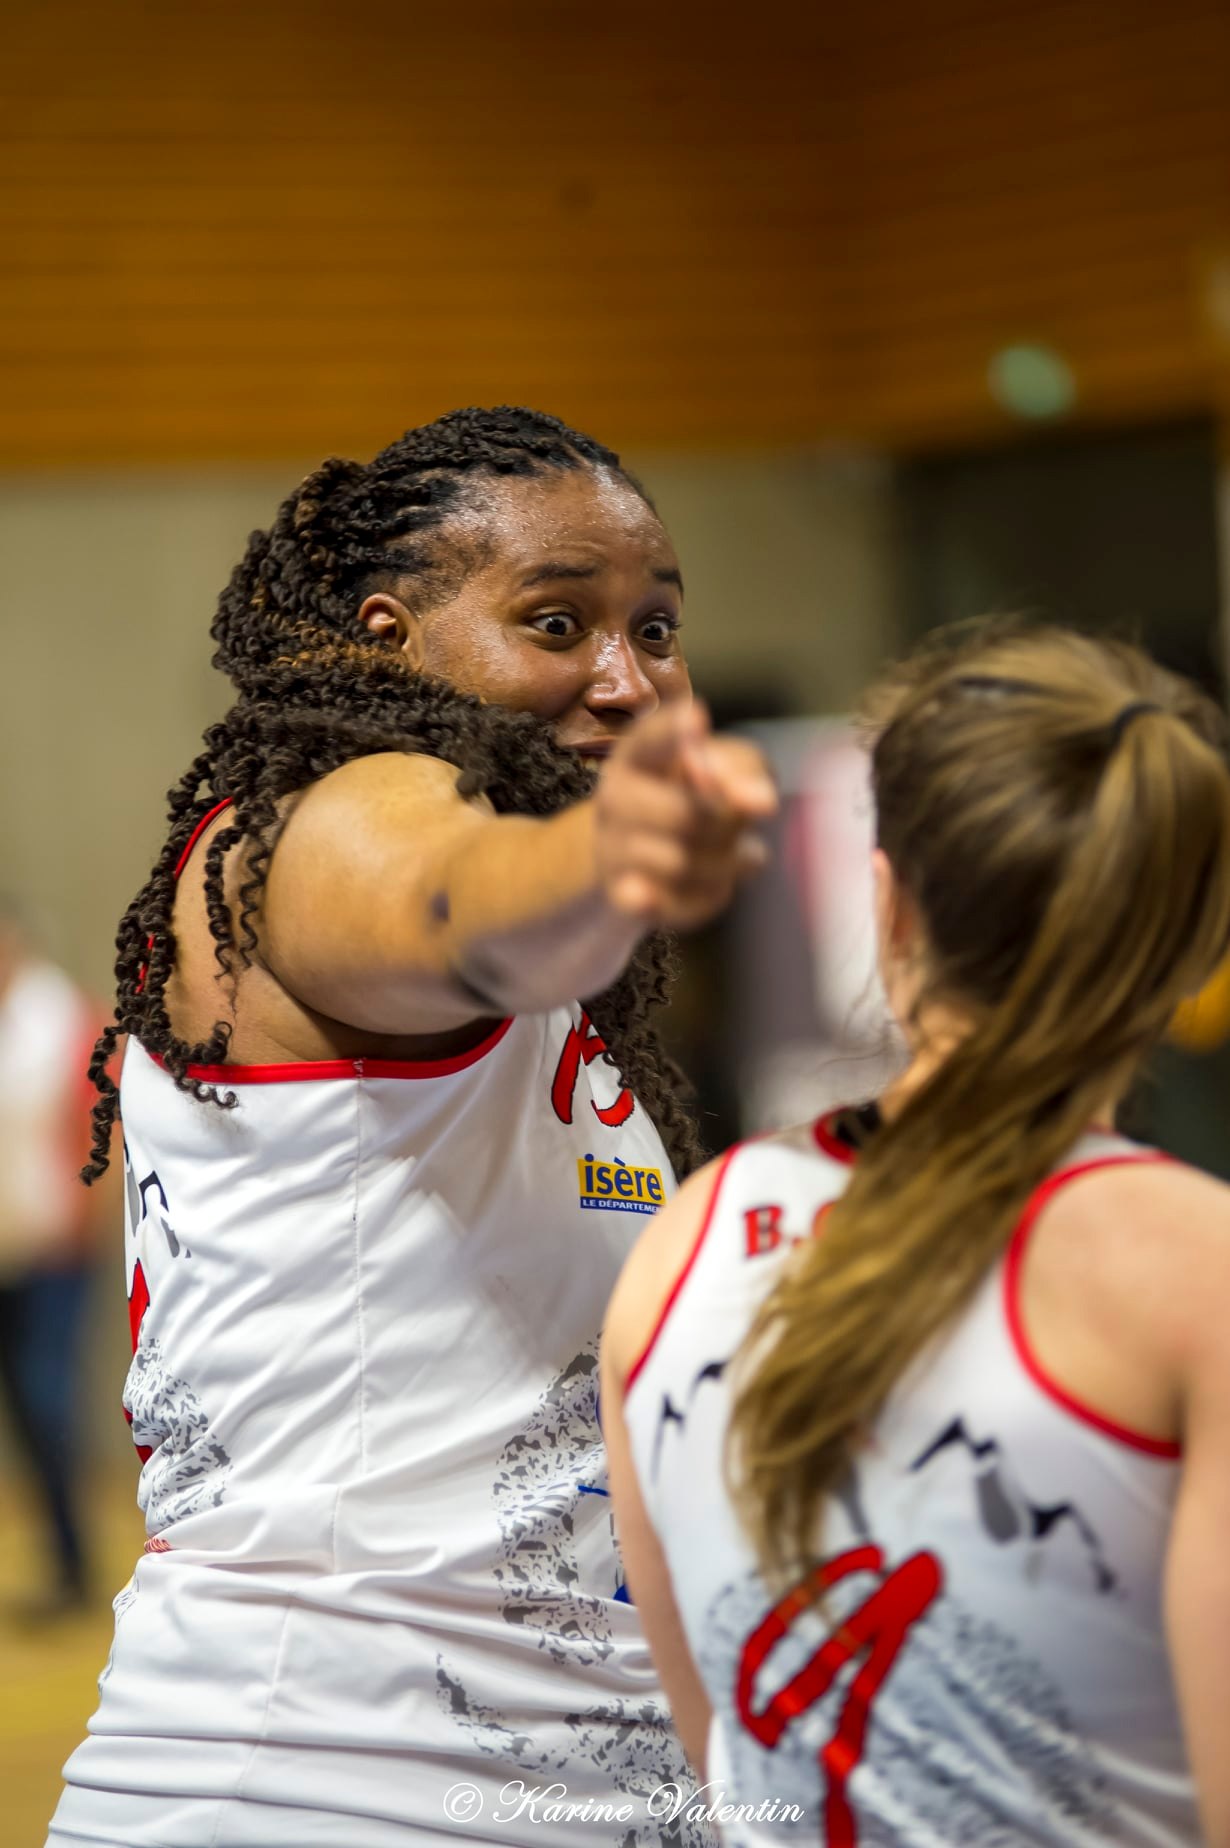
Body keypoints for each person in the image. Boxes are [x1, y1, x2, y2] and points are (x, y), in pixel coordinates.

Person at [49, 407, 777, 1848]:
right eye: (556, 623)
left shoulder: (580, 1006)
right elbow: (459, 900)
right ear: (388, 638)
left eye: (658, 630)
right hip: (321, 1786)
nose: (625, 680)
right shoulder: (313, 834)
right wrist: (600, 857)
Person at [603, 623, 1230, 1847]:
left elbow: (724, 1755)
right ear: (1188, 949)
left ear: (885, 905)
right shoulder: (1193, 1271)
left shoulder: (685, 1239)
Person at [0, 897, 111, 1620]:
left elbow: (99, 1124)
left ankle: (75, 1564)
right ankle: (59, 1560)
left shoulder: (63, 1019)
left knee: (47, 1401)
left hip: (52, 1252)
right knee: (27, 1411)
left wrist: (82, 1213)